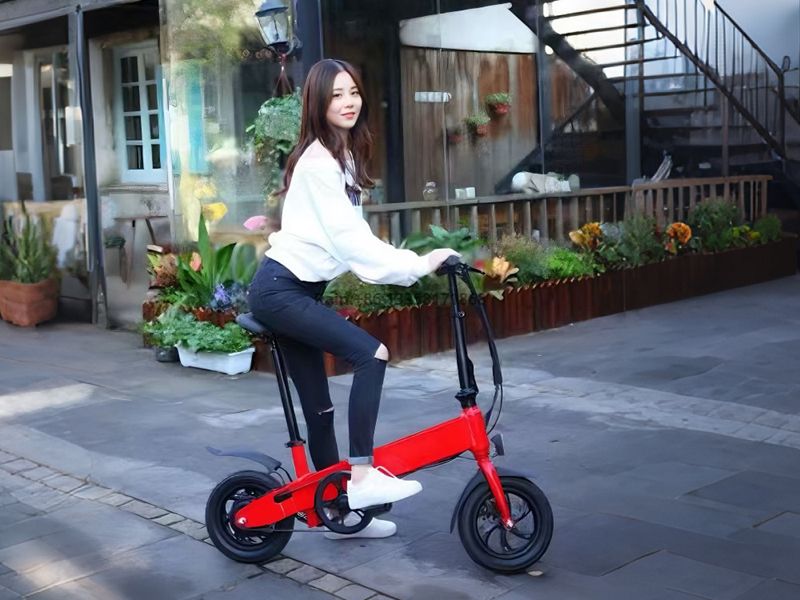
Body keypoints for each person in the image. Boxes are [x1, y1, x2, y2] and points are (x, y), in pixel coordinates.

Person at [247, 59, 458, 539]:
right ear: (318, 103)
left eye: (354, 92)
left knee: (320, 411)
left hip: (295, 291)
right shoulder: (319, 164)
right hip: (280, 291)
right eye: (336, 94)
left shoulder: (338, 156)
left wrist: (408, 263)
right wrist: (419, 263)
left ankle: (337, 513)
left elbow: (352, 240)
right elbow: (353, 244)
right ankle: (360, 477)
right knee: (372, 354)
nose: (348, 102)